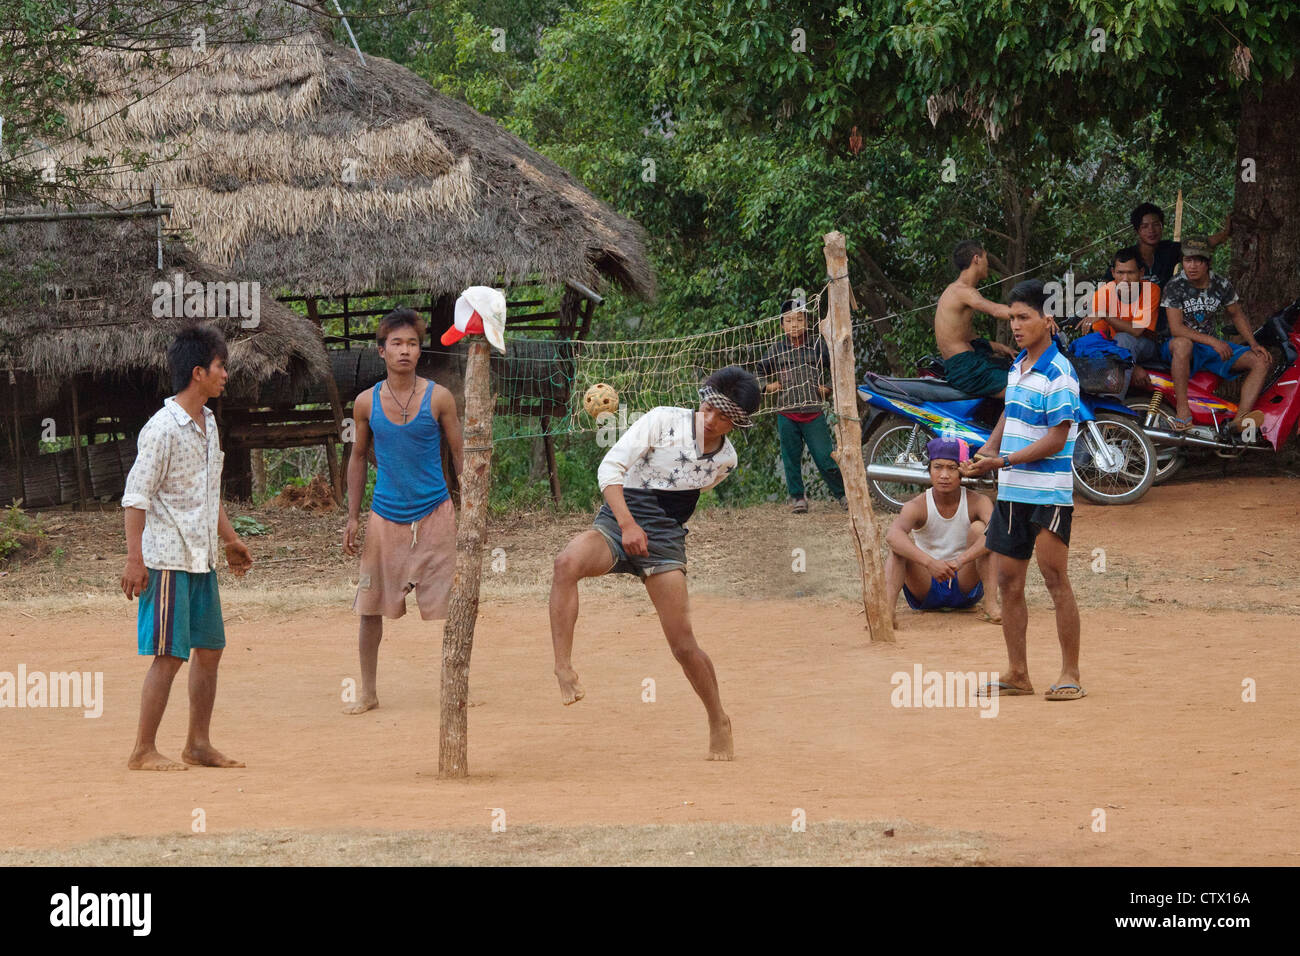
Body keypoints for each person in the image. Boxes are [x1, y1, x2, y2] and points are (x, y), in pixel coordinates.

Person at [548, 366, 761, 761]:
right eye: (710, 408)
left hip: (664, 536)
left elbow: (686, 496)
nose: (712, 420)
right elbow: (609, 469)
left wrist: (653, 531)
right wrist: (627, 524)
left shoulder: (726, 460)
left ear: (739, 422)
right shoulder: (662, 420)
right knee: (566, 563)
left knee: (682, 644)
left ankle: (718, 719)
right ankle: (563, 668)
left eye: (725, 416)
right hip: (618, 518)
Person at [121, 324, 254, 770]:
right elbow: (135, 497)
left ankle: (198, 743)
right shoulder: (161, 429)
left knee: (209, 649)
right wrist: (135, 560)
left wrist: (230, 540)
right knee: (169, 654)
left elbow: (208, 492)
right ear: (198, 372)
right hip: (165, 560)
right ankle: (143, 750)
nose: (225, 375)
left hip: (201, 559)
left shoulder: (208, 423)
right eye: (221, 366)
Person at [959, 279, 1085, 701]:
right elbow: (1010, 415)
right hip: (1012, 491)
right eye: (1011, 317)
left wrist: (1004, 461)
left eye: (1023, 317)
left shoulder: (1061, 373)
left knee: (1055, 579)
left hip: (1048, 493)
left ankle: (1070, 673)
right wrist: (988, 450)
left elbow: (1056, 438)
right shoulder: (1017, 367)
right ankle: (1018, 673)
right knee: (1009, 582)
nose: (1014, 325)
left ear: (1046, 321)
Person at [342, 308, 464, 714]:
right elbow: (358, 457)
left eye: (412, 343)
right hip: (384, 517)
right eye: (396, 343)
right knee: (369, 606)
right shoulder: (365, 404)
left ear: (419, 350)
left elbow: (462, 454)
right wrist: (351, 517)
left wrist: (474, 511)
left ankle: (455, 686)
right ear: (382, 351)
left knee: (456, 604)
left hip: (436, 513)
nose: (405, 351)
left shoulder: (439, 398)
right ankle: (368, 691)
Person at [884, 437, 1000, 627]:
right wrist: (930, 564)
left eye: (951, 468)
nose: (944, 475)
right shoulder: (916, 505)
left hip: (964, 581)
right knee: (899, 546)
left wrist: (959, 561)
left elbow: (996, 533)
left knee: (982, 530)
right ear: (929, 470)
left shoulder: (979, 502)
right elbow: (892, 536)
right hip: (925, 585)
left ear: (963, 470)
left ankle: (991, 605)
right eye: (938, 467)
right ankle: (887, 613)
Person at [1160, 237, 1270, 433]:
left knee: (1261, 360)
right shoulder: (1175, 285)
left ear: (1208, 262)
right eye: (1187, 260)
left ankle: (1239, 421)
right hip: (1178, 345)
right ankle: (1183, 410)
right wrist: (1213, 341)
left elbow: (1236, 313)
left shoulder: (1220, 284)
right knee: (1183, 343)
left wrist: (1253, 343)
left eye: (1198, 261)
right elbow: (1176, 328)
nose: (1192, 266)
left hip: (1209, 348)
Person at [755, 299, 845, 513]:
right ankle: (798, 498)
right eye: (788, 320)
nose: (794, 324)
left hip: (813, 412)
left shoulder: (818, 346)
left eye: (799, 319)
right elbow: (758, 371)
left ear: (806, 322)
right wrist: (767, 386)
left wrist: (828, 387)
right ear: (782, 325)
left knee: (825, 457)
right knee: (791, 458)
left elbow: (836, 368)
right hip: (786, 413)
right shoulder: (776, 349)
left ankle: (843, 494)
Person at [936, 240, 1017, 397]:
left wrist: (1001, 348)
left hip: (964, 365)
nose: (987, 263)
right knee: (1022, 389)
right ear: (976, 259)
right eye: (986, 257)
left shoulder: (953, 291)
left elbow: (966, 337)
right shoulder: (962, 291)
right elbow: (995, 310)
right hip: (967, 369)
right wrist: (1033, 315)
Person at [1085, 248, 1163, 392]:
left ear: (1141, 273)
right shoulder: (1102, 294)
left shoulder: (1151, 290)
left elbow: (1137, 330)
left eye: (1131, 272)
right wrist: (1133, 366)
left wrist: (1105, 315)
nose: (1125, 279)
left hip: (1146, 347)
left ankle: (1113, 405)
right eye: (1120, 273)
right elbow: (1102, 337)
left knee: (1124, 338)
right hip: (1117, 348)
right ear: (1113, 272)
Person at [1103, 202, 1230, 288]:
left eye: (1156, 225)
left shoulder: (1169, 249)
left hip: (1164, 318)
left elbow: (1201, 244)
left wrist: (1225, 234)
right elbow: (1105, 285)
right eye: (1145, 226)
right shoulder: (1126, 256)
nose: (1151, 230)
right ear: (1137, 231)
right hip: (1133, 319)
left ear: (1162, 227)